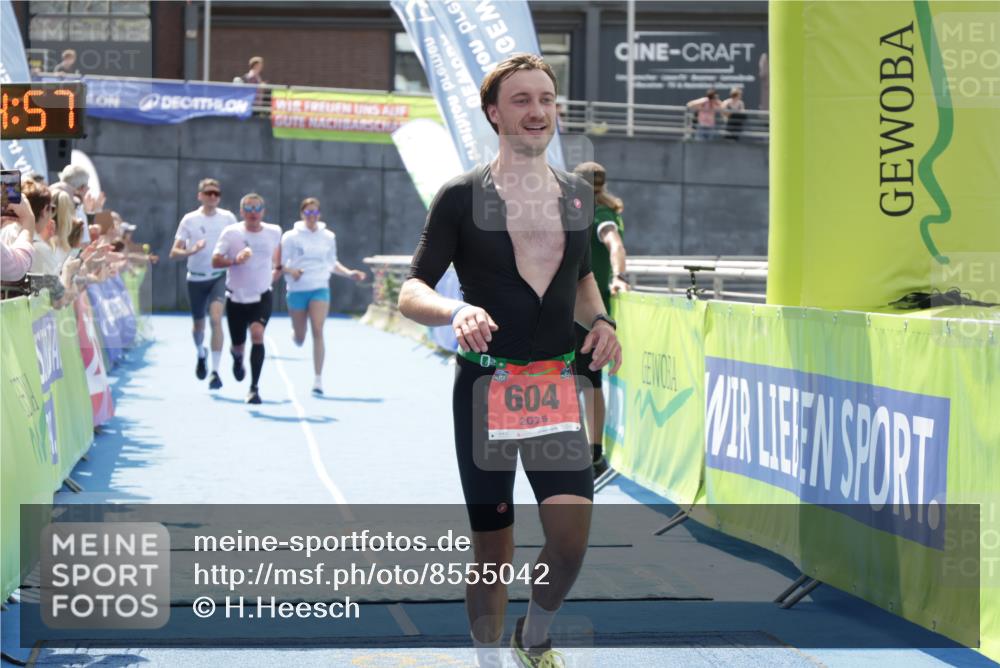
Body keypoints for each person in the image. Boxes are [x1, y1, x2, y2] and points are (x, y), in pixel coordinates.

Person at [398, 53, 622, 668]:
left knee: (570, 543)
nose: (537, 111)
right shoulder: (461, 196)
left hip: (554, 387)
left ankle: (535, 636)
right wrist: (455, 311)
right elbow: (411, 290)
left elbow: (582, 279)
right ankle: (488, 661)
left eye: (546, 99)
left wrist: (601, 322)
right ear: (494, 113)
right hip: (485, 391)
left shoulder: (575, 196)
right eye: (521, 100)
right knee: (493, 552)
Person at [571, 162, 630, 478]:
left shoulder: (595, 215)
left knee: (573, 382)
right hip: (596, 315)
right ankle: (594, 455)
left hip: (581, 313)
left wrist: (619, 275)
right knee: (590, 382)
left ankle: (585, 454)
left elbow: (615, 244)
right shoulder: (596, 212)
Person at [278, 197, 365, 396]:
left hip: (319, 287)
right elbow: (280, 265)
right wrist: (292, 271)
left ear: (320, 214)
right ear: (302, 214)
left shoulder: (328, 236)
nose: (312, 216)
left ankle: (318, 380)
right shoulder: (290, 237)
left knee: (318, 329)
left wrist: (349, 273)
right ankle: (296, 333)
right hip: (297, 289)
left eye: (315, 212)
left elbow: (332, 263)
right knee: (300, 337)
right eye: (308, 212)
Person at [212, 193, 281, 405]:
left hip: (261, 295)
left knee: (258, 334)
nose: (253, 213)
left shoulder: (274, 231)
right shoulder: (231, 233)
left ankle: (254, 388)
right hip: (236, 297)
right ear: (241, 212)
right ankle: (237, 356)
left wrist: (274, 274)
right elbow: (215, 261)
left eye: (257, 208)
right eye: (248, 209)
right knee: (239, 344)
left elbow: (277, 260)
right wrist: (235, 260)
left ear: (263, 211)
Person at [171, 178, 238, 389]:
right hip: (196, 278)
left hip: (219, 276)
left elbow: (238, 243)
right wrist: (192, 250)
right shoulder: (189, 220)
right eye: (208, 193)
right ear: (200, 196)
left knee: (216, 319)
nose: (213, 197)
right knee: (198, 325)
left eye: (216, 193)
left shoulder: (228, 218)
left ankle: (215, 372)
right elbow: (174, 252)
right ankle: (201, 354)